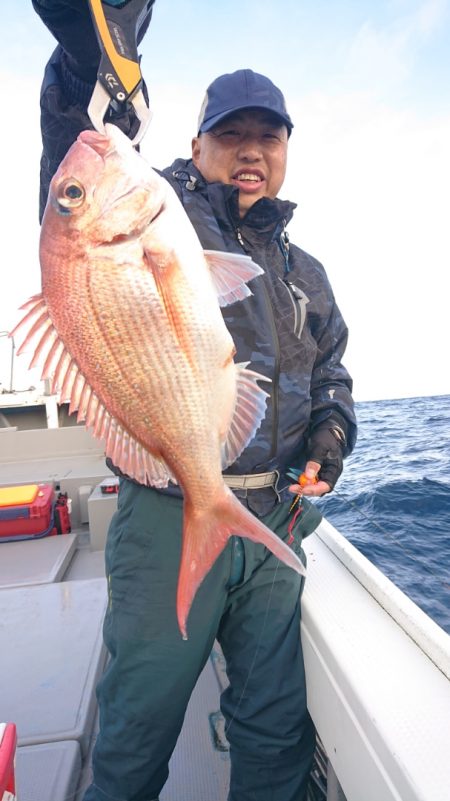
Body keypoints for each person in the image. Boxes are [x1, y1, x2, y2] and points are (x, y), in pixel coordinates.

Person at [33, 3, 357, 800]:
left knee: (273, 727)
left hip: (275, 515)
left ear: (285, 151)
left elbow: (333, 374)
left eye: (268, 136)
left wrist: (331, 435)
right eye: (230, 134)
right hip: (165, 508)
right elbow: (75, 159)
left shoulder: (306, 272)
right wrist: (84, 61)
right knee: (138, 720)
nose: (250, 150)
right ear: (196, 147)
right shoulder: (164, 211)